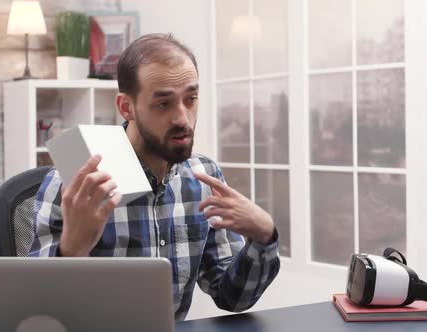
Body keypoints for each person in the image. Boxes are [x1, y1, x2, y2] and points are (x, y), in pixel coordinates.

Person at [29, 33, 280, 321]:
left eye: (191, 98)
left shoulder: (204, 176)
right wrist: (72, 249)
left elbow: (231, 297)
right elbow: (37, 314)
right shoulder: (73, 180)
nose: (182, 118)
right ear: (126, 107)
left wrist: (263, 236)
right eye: (164, 104)